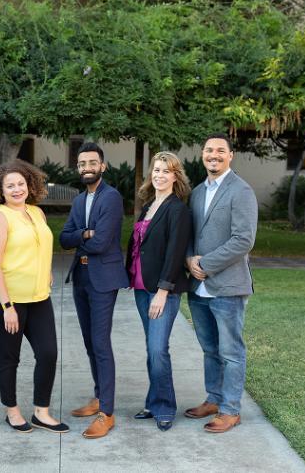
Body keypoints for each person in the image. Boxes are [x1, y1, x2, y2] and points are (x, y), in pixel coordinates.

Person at [0, 160, 69, 434]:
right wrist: (7, 306)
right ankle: (13, 411)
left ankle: (42, 412)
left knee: (48, 353)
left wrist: (47, 272)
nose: (17, 189)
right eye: (10, 186)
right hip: (4, 299)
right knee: (10, 356)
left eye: (20, 183)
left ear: (29, 185)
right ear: (1, 190)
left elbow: (41, 247)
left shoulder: (37, 213)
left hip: (38, 296)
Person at [185, 134, 258, 433]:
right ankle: (214, 399)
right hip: (198, 287)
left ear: (231, 155)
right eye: (208, 151)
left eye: (219, 151)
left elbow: (244, 239)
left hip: (227, 286)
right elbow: (189, 234)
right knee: (210, 349)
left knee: (231, 351)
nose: (213, 155)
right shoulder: (198, 192)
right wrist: (189, 260)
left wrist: (205, 264)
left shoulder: (241, 191)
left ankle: (230, 409)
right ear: (202, 155)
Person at [59, 142, 129, 439]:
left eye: (92, 162)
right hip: (82, 276)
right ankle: (99, 396)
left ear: (103, 166)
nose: (87, 167)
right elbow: (63, 239)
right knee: (90, 342)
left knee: (100, 343)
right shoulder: (78, 201)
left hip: (103, 279)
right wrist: (85, 233)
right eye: (82, 163)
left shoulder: (111, 198)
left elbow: (101, 243)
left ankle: (107, 413)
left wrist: (82, 236)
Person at [125, 151, 192, 432]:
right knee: (152, 349)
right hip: (142, 287)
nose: (159, 175)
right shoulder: (149, 204)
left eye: (166, 171)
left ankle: (165, 406)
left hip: (161, 290)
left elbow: (176, 253)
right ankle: (154, 402)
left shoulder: (177, 209)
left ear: (175, 177)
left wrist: (163, 292)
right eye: (156, 170)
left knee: (157, 349)